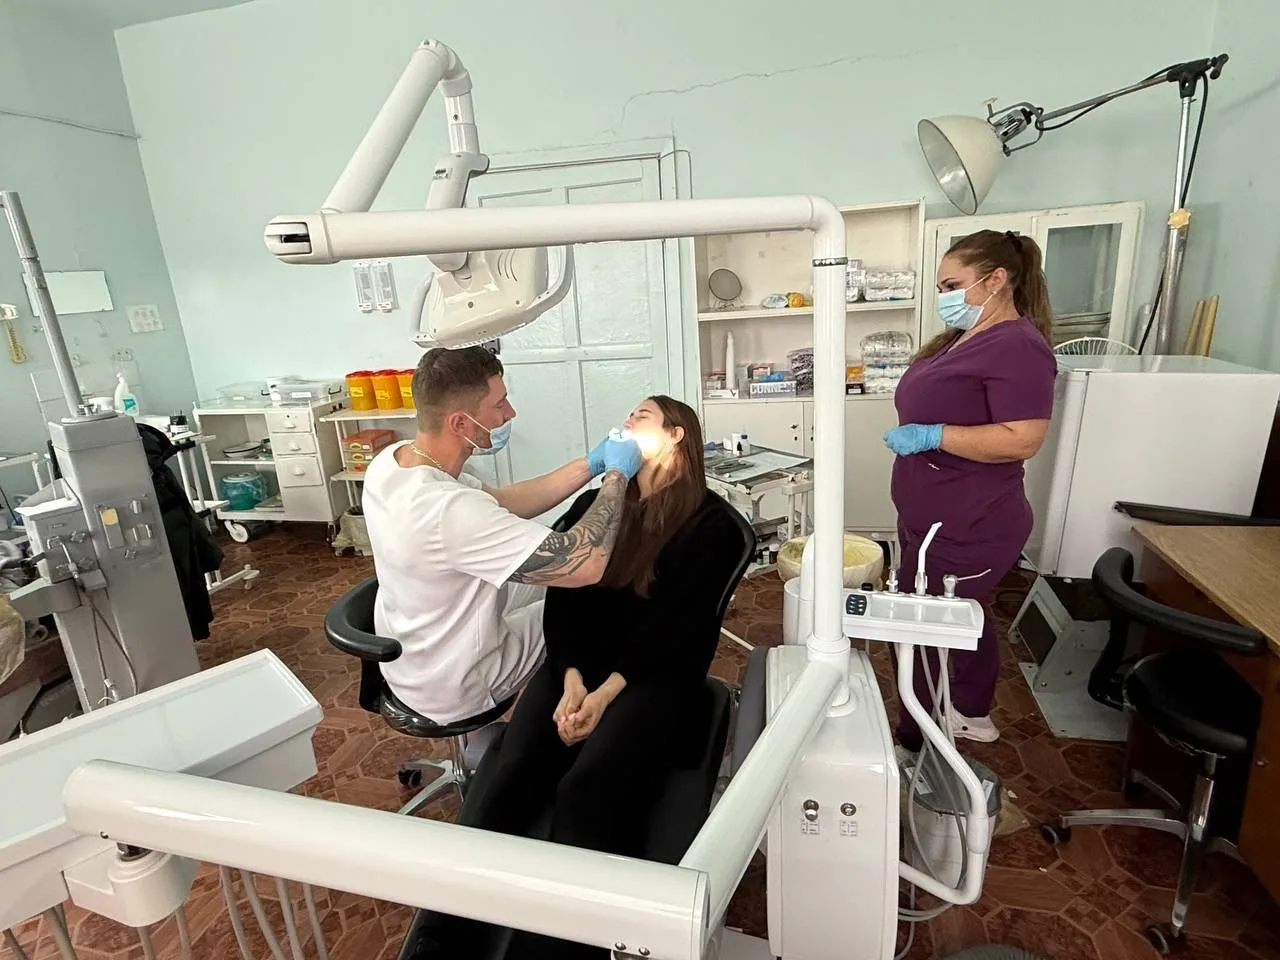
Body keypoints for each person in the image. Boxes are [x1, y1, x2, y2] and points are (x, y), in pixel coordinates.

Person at [452, 396, 744, 960]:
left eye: (642, 416)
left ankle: (565, 944)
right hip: (579, 666)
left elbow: (678, 629)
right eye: (628, 416)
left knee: (583, 791)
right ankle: (460, 927)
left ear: (677, 435)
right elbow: (562, 597)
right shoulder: (599, 504)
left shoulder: (714, 526)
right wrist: (569, 678)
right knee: (511, 771)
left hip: (653, 674)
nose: (627, 422)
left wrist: (607, 692)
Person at [361, 346, 643, 726]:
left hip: (411, 658)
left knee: (555, 587)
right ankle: (588, 711)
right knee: (588, 600)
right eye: (499, 404)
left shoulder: (393, 462)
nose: (510, 413)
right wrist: (617, 476)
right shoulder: (449, 511)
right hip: (458, 683)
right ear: (460, 424)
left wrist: (590, 465)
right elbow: (586, 563)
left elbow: (506, 501)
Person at [883, 229, 1058, 749]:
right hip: (933, 516)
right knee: (962, 611)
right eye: (941, 287)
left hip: (968, 521)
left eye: (952, 285)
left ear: (996, 279)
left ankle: (919, 734)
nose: (944, 297)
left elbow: (1023, 438)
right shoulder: (966, 337)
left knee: (921, 625)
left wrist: (934, 435)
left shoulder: (1019, 347)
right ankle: (972, 711)